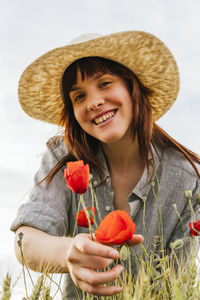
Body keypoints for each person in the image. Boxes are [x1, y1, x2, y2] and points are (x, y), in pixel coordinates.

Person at [11, 31, 200, 298]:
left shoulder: (187, 177)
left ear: (132, 86)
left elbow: (177, 285)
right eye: (79, 97)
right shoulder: (64, 157)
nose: (93, 102)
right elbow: (25, 242)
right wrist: (69, 253)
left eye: (105, 83)